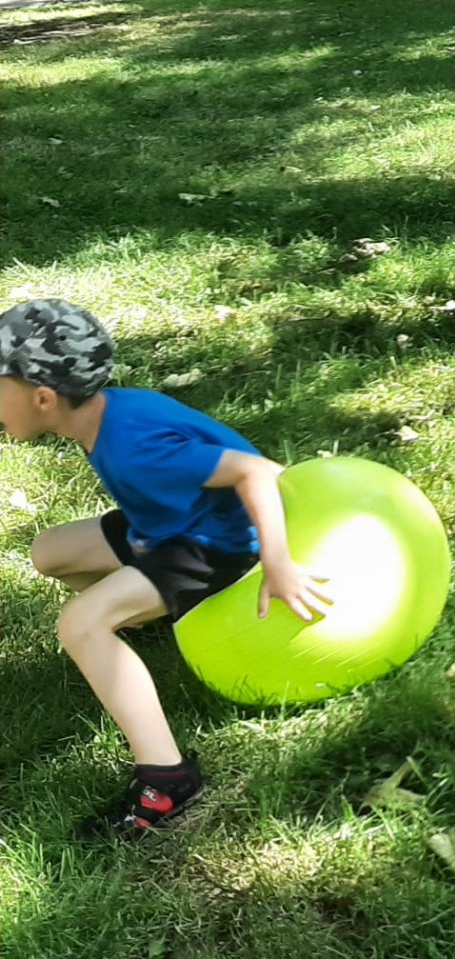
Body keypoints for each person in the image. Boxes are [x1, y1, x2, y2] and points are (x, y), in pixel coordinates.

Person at [0, 299, 327, 839]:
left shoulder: (135, 444)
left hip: (216, 544)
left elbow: (257, 472)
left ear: (43, 398)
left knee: (81, 623)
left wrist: (278, 562)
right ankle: (143, 626)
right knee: (50, 552)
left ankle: (166, 779)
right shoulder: (104, 413)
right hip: (163, 528)